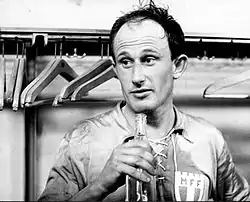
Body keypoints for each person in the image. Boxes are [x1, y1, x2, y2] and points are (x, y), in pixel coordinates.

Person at [38, 1, 250, 201]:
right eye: (126, 62)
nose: (136, 77)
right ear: (115, 70)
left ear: (177, 66)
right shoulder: (82, 140)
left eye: (149, 60)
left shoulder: (208, 139)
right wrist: (100, 187)